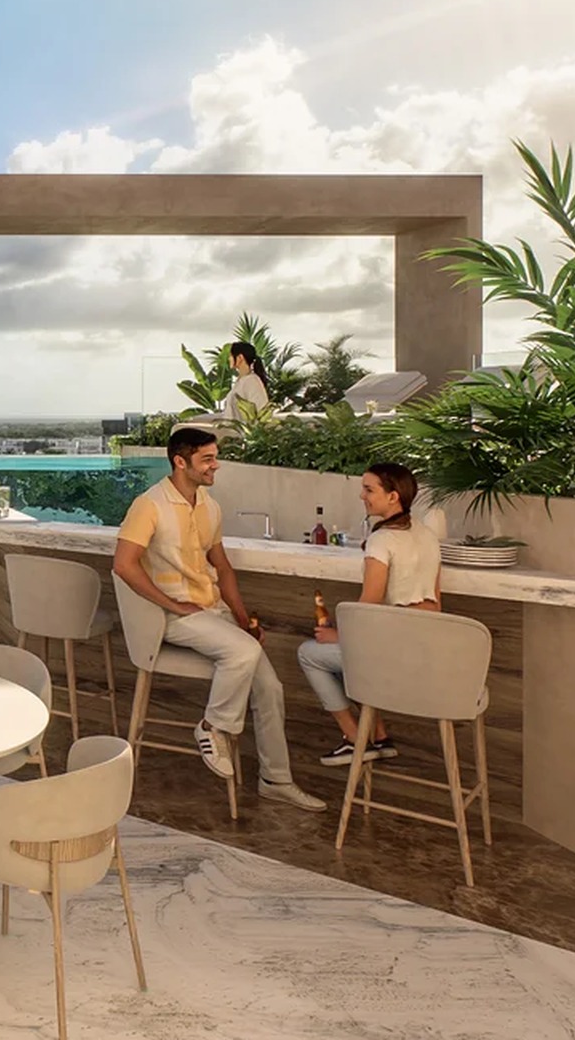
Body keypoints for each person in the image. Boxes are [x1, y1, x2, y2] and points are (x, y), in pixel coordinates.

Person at [111, 427, 327, 812]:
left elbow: (222, 567)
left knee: (270, 689)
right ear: (181, 462)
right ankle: (213, 727)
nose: (216, 465)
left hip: (212, 612)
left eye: (215, 457)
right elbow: (124, 565)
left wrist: (243, 619)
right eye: (207, 459)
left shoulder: (209, 506)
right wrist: (172, 605)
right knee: (242, 654)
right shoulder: (149, 505)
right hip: (173, 616)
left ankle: (276, 780)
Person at [297, 463, 443, 765]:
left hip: (391, 654)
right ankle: (378, 734)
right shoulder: (427, 535)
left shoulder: (381, 541)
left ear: (393, 496)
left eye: (369, 489)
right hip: (428, 651)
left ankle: (355, 738)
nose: (361, 495)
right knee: (357, 657)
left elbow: (368, 609)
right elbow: (436, 601)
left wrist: (336, 635)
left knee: (310, 653)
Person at [225, 340, 271, 420]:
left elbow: (261, 411)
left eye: (231, 356)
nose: (229, 359)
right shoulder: (241, 380)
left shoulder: (252, 381)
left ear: (240, 358)